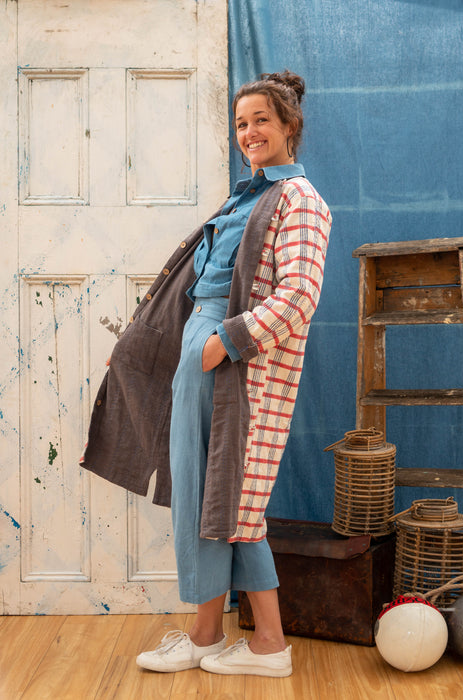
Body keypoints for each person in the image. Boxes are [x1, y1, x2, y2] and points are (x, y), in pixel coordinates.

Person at [81, 70, 331, 677]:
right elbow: (188, 286)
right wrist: (139, 347)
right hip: (203, 344)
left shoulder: (300, 200)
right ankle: (215, 633)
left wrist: (226, 342)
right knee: (207, 495)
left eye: (261, 120)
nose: (249, 132)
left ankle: (245, 641)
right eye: (241, 123)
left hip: (235, 359)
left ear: (290, 126)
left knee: (231, 498)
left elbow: (299, 295)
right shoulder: (244, 198)